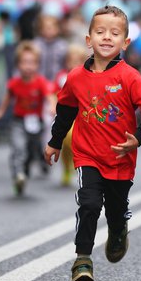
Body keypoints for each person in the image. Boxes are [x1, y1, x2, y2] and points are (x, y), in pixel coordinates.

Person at [43, 5, 141, 281]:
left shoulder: (129, 76)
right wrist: (55, 142)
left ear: (126, 42)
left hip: (120, 159)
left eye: (115, 33)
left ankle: (119, 228)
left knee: (115, 210)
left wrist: (138, 137)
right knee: (89, 205)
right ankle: (82, 261)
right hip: (88, 156)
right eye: (100, 32)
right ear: (88, 40)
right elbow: (65, 112)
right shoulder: (75, 77)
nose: (107, 37)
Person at [0, 41, 53, 196]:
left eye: (32, 62)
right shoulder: (14, 83)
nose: (28, 66)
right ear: (18, 65)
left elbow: (49, 96)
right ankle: (18, 174)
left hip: (36, 122)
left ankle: (27, 171)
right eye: (24, 62)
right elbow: (7, 98)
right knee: (18, 148)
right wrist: (0, 111)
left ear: (38, 65)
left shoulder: (40, 82)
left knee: (33, 150)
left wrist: (52, 106)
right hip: (18, 121)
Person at [51, 44, 89, 187]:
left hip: (79, 115)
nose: (73, 64)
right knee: (64, 143)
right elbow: (54, 92)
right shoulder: (61, 76)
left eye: (77, 61)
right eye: (70, 60)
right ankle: (66, 167)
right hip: (64, 114)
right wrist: (53, 105)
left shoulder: (85, 76)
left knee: (71, 138)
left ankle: (75, 163)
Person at [34, 12, 68, 81]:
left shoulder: (63, 46)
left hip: (57, 81)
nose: (49, 30)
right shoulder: (35, 45)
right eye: (46, 27)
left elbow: (65, 64)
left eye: (52, 27)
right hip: (39, 81)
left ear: (58, 29)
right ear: (40, 29)